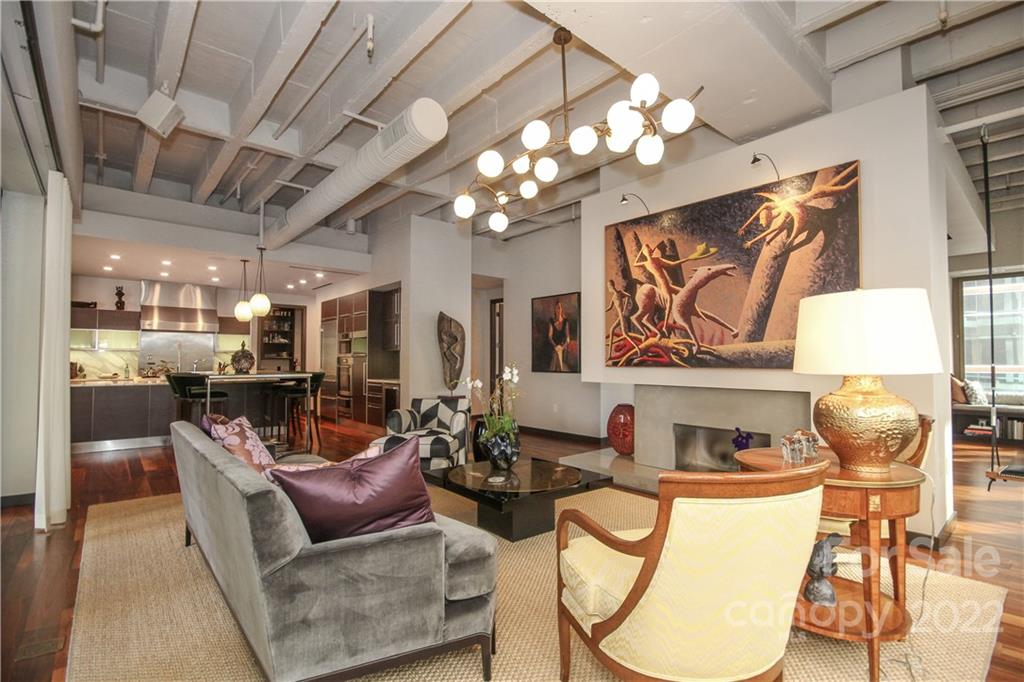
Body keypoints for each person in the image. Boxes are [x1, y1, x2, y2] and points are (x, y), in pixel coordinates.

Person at [548, 301, 572, 371]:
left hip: (563, 345)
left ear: (562, 309)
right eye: (557, 308)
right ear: (555, 310)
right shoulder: (551, 321)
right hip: (553, 345)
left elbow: (568, 338)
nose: (558, 310)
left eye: (559, 308)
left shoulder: (565, 321)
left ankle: (557, 370)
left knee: (558, 352)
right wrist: (555, 346)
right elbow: (549, 337)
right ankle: (561, 370)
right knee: (556, 352)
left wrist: (562, 347)